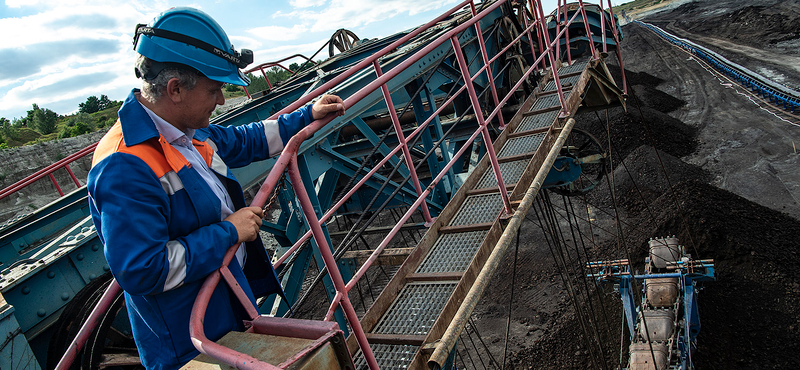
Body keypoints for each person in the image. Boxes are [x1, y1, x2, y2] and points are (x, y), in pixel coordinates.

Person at [87, 7, 345, 370]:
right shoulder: (125, 165)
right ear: (175, 89)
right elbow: (142, 270)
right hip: (190, 342)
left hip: (225, 306)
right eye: (214, 89)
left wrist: (307, 116)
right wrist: (228, 233)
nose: (221, 100)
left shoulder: (183, 131)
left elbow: (242, 140)